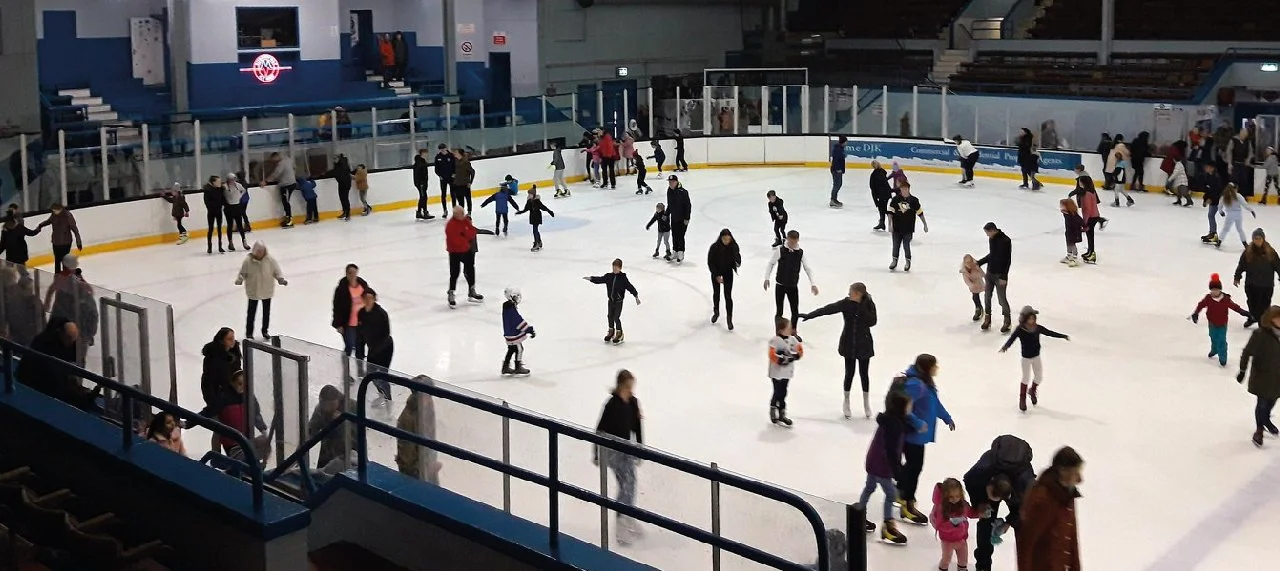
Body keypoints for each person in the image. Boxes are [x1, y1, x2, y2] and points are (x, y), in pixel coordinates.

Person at [798, 283, 877, 419]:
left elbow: (872, 321)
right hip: (849, 343)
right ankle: (846, 401)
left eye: (851, 292)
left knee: (864, 374)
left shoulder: (869, 304)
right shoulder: (846, 303)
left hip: (864, 343)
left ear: (858, 294)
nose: (848, 294)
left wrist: (860, 307)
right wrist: (810, 315)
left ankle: (866, 402)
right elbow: (828, 309)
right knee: (849, 373)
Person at [894, 353, 955, 526]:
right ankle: (907, 502)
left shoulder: (925, 383)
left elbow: (934, 403)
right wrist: (917, 422)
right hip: (912, 435)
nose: (937, 368)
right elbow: (903, 407)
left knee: (913, 466)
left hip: (918, 435)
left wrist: (946, 417)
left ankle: (901, 491)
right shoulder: (916, 385)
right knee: (915, 467)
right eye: (935, 365)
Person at [963, 435, 1036, 571]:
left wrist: (1010, 522)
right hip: (992, 481)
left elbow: (1025, 507)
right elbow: (968, 480)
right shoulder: (983, 469)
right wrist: (979, 504)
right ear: (988, 482)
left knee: (1023, 528)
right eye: (991, 495)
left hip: (1017, 491)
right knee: (985, 523)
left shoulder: (1024, 484)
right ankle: (983, 566)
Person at [859, 389, 922, 545]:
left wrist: (913, 428)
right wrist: (898, 473)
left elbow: (901, 428)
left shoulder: (890, 420)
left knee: (869, 488)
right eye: (908, 406)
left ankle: (857, 516)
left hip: (873, 461)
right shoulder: (894, 426)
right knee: (891, 495)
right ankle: (888, 525)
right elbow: (891, 452)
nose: (910, 408)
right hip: (881, 466)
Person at [594, 369, 644, 545]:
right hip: (613, 450)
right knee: (627, 483)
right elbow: (600, 428)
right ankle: (622, 520)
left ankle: (627, 516)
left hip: (627, 449)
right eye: (629, 386)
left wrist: (640, 448)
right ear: (621, 386)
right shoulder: (612, 404)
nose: (631, 390)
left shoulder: (633, 403)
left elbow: (637, 427)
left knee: (630, 483)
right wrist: (596, 452)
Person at [1016, 447, 1084, 571]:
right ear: (1063, 471)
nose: (1080, 479)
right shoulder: (1043, 499)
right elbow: (1026, 542)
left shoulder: (1068, 495)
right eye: (1076, 472)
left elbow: (1071, 539)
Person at [16, 317, 97, 411]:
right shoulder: (46, 346)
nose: (71, 343)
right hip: (36, 386)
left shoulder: (60, 341)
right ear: (62, 334)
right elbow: (52, 377)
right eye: (70, 339)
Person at [1000, 306, 1070, 412]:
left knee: (1039, 377)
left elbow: (1049, 333)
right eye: (1030, 318)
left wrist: (1062, 336)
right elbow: (1012, 339)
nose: (1032, 321)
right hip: (1026, 358)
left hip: (1036, 356)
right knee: (1026, 378)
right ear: (1024, 319)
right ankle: (1022, 399)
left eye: (1033, 318)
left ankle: (1032, 390)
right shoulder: (1020, 329)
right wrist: (1005, 347)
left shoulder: (1037, 328)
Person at [1238, 305, 1280, 447]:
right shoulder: (1260, 334)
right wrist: (1242, 370)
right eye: (1277, 317)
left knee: (1271, 402)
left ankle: (1266, 420)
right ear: (1270, 319)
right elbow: (1247, 352)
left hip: (1278, 378)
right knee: (1262, 404)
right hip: (1262, 376)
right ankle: (1259, 430)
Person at [43, 254, 96, 365]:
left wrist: (47, 304)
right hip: (68, 312)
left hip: (68, 311)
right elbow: (89, 289)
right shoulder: (65, 277)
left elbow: (51, 291)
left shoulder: (72, 275)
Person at [764, 230, 818, 338]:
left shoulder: (800, 253)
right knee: (779, 310)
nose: (792, 244)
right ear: (787, 238)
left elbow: (807, 268)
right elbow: (771, 263)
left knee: (795, 311)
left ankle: (793, 330)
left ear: (797, 240)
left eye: (794, 242)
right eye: (790, 241)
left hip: (792, 286)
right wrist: (767, 278)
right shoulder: (780, 250)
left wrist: (813, 283)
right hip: (780, 285)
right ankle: (779, 332)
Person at [1191, 273, 1250, 368]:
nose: (1214, 292)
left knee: (1221, 340)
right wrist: (1196, 313)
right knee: (1213, 336)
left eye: (1216, 290)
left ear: (1220, 289)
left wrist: (1243, 312)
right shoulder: (1208, 299)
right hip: (1212, 322)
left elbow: (1235, 307)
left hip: (1222, 323)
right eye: (1212, 290)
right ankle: (1214, 349)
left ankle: (1223, 357)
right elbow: (1201, 305)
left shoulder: (1225, 299)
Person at [234, 242, 287, 339]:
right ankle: (249, 333)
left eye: (262, 251)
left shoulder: (270, 260)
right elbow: (243, 273)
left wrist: (280, 279)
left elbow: (276, 271)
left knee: (266, 313)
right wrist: (240, 279)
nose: (260, 253)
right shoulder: (248, 261)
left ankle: (265, 331)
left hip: (267, 290)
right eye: (258, 251)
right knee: (251, 313)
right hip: (253, 290)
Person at [583, 258, 640, 345]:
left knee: (616, 317)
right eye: (613, 267)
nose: (614, 269)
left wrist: (636, 296)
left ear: (620, 268)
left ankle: (619, 334)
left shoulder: (623, 278)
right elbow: (600, 279)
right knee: (610, 316)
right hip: (611, 301)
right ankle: (611, 331)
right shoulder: (609, 276)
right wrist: (591, 278)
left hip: (619, 302)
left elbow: (630, 287)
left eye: (616, 268)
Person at [1233, 228, 1280, 326]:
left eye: (1259, 238)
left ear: (1263, 239)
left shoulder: (1270, 252)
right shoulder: (1248, 251)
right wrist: (1237, 277)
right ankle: (1253, 317)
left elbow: (1278, 266)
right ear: (1253, 239)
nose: (1257, 240)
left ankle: (1262, 323)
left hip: (1266, 285)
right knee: (1252, 304)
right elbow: (1242, 265)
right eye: (1255, 238)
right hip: (1251, 284)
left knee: (1265, 305)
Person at [931, 478, 980, 571]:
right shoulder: (941, 508)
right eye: (951, 497)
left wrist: (980, 514)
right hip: (947, 541)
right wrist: (953, 524)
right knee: (946, 560)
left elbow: (970, 513)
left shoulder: (963, 505)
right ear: (945, 496)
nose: (954, 499)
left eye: (957, 496)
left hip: (962, 539)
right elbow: (939, 525)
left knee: (963, 560)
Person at [395, 385, 441, 484]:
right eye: (427, 395)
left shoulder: (426, 410)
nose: (430, 399)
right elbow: (407, 460)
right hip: (416, 477)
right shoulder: (407, 419)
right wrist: (426, 470)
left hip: (426, 470)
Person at [307, 385, 354, 473]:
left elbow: (355, 438)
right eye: (324, 405)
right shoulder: (320, 410)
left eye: (331, 405)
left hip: (349, 457)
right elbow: (311, 430)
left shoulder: (351, 408)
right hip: (327, 454)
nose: (327, 408)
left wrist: (341, 424)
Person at [358, 288, 394, 401]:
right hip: (372, 349)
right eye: (366, 298)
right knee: (371, 375)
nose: (368, 300)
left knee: (382, 376)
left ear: (374, 299)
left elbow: (386, 333)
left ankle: (388, 398)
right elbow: (361, 333)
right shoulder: (361, 313)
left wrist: (376, 349)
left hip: (385, 349)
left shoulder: (381, 314)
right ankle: (381, 393)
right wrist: (361, 351)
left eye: (370, 298)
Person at [767, 316, 804, 427]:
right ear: (781, 330)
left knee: (783, 392)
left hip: (787, 373)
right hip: (776, 372)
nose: (791, 329)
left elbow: (799, 350)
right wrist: (782, 359)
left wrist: (796, 356)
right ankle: (773, 408)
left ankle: (782, 413)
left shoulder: (793, 340)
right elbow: (772, 355)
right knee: (777, 391)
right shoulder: (774, 341)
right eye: (789, 327)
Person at [977, 222, 1013, 333]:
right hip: (990, 273)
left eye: (988, 233)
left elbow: (1007, 260)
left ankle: (1007, 320)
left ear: (993, 230)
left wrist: (1004, 276)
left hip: (1000, 275)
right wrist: (980, 262)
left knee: (1001, 299)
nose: (987, 235)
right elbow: (992, 255)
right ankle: (988, 318)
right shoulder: (992, 239)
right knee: (987, 296)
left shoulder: (1006, 241)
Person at [445, 206, 483, 308]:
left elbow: (471, 232)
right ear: (455, 214)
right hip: (455, 252)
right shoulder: (450, 225)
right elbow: (455, 239)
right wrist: (465, 240)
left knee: (470, 270)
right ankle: (451, 293)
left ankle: (472, 290)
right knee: (454, 273)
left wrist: (465, 237)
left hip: (466, 251)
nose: (463, 215)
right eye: (461, 213)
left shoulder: (465, 221)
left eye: (463, 213)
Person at [331, 264, 370, 360]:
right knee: (349, 346)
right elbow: (337, 307)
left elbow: (369, 300)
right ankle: (345, 369)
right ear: (346, 274)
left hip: (362, 322)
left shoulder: (363, 285)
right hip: (348, 324)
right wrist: (338, 324)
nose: (352, 275)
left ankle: (360, 372)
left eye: (354, 272)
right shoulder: (341, 289)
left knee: (360, 349)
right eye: (350, 273)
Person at [888, 181, 927, 272]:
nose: (904, 190)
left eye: (906, 189)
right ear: (900, 189)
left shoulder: (914, 200)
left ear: (909, 189)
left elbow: (920, 213)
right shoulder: (895, 199)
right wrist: (890, 224)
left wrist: (925, 224)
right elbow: (890, 212)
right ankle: (894, 261)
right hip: (896, 228)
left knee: (906, 245)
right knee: (895, 245)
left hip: (908, 228)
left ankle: (908, 262)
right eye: (902, 189)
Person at [707, 228, 741, 330]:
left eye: (728, 239)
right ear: (721, 238)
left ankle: (729, 318)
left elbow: (738, 258)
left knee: (728, 295)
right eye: (725, 239)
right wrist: (716, 275)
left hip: (728, 273)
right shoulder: (714, 247)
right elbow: (710, 262)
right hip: (716, 272)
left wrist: (738, 262)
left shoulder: (734, 247)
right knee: (716, 293)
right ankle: (716, 311)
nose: (726, 241)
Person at [35, 201, 82, 272]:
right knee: (57, 261)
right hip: (56, 242)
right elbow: (49, 221)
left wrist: (79, 242)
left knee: (65, 261)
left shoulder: (68, 216)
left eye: (55, 211)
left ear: (60, 209)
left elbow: (75, 230)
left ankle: (66, 277)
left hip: (65, 242)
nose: (54, 212)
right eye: (53, 211)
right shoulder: (54, 215)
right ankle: (57, 277)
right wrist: (41, 225)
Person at [500, 287, 535, 376]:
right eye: (516, 296)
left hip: (508, 333)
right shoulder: (511, 309)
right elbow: (518, 321)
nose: (518, 298)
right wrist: (529, 329)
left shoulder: (507, 307)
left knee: (511, 349)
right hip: (513, 334)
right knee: (519, 349)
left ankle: (505, 367)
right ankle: (518, 366)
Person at [1214, 183, 1256, 249]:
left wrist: (1221, 211)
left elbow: (1220, 205)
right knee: (1240, 229)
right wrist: (1251, 210)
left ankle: (1219, 242)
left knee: (1225, 229)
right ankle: (1245, 244)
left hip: (1230, 215)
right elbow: (1245, 205)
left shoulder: (1224, 196)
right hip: (1238, 214)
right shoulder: (1238, 196)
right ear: (1234, 189)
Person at [262, 152, 298, 228]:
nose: (274, 162)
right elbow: (294, 167)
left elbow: (276, 173)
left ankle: (289, 221)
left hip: (287, 185)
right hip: (290, 183)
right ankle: (287, 219)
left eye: (273, 160)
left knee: (286, 203)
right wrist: (292, 175)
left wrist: (266, 181)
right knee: (285, 202)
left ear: (276, 157)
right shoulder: (288, 159)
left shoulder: (281, 163)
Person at [516, 186, 555, 252]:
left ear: (533, 195)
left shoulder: (537, 201)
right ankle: (539, 242)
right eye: (528, 194)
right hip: (532, 217)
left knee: (535, 230)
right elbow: (526, 209)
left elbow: (543, 207)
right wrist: (520, 212)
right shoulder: (529, 202)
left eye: (530, 194)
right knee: (535, 230)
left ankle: (536, 243)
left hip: (537, 217)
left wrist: (549, 211)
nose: (529, 195)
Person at [666, 175, 691, 263]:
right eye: (669, 182)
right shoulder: (669, 191)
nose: (671, 184)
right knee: (674, 235)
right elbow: (669, 204)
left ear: (676, 182)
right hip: (674, 218)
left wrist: (687, 218)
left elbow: (688, 206)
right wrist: (666, 214)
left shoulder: (683, 192)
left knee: (680, 235)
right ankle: (675, 252)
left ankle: (681, 252)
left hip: (682, 218)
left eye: (672, 182)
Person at [1198, 162, 1223, 244]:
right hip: (1212, 199)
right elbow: (1207, 190)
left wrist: (1211, 199)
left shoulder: (1216, 177)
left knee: (1211, 215)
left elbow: (1216, 191)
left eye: (1207, 167)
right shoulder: (1209, 176)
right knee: (1210, 215)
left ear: (1212, 168)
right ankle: (1212, 233)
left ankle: (1213, 234)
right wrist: (1205, 200)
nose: (1206, 168)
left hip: (1215, 200)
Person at [200, 175, 226, 253]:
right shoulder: (207, 190)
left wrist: (222, 205)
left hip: (219, 211)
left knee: (219, 229)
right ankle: (209, 246)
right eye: (218, 182)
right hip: (211, 212)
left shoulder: (220, 189)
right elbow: (207, 202)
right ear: (213, 182)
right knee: (211, 229)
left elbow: (223, 199)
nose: (220, 183)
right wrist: (215, 206)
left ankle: (220, 246)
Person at [1105, 134, 1133, 206]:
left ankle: (1117, 202)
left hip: (1119, 177)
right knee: (1121, 189)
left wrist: (1115, 177)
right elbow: (1127, 153)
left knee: (1117, 189)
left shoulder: (1113, 145)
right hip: (1121, 176)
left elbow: (1118, 171)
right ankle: (1130, 200)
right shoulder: (1122, 161)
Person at [223, 174, 249, 249]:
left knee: (240, 225)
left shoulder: (238, 185)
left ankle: (244, 241)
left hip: (237, 206)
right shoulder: (225, 187)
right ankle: (230, 242)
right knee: (230, 225)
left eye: (234, 179)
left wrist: (239, 197)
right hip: (229, 208)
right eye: (231, 179)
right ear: (228, 179)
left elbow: (244, 190)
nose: (232, 181)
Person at [1226, 127, 1254, 195]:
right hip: (1235, 164)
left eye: (1246, 134)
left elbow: (1251, 152)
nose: (1244, 135)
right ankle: (1232, 195)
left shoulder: (1248, 141)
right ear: (1240, 133)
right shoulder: (1233, 140)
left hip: (1243, 164)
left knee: (1244, 181)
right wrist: (1229, 163)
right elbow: (1228, 151)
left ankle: (1242, 196)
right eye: (1243, 133)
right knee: (1234, 181)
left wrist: (1248, 159)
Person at [961, 254, 986, 322]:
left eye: (970, 262)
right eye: (967, 263)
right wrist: (971, 285)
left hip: (979, 282)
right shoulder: (964, 271)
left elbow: (982, 273)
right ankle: (978, 309)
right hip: (973, 286)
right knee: (975, 297)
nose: (969, 264)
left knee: (987, 295)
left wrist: (986, 278)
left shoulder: (976, 266)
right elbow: (966, 280)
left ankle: (988, 311)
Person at [1059, 199, 1084, 267]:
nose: (1061, 207)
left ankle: (1075, 258)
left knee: (1072, 244)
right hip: (1068, 232)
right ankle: (1069, 256)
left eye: (1062, 205)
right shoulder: (1066, 213)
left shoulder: (1073, 214)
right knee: (1068, 243)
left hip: (1075, 232)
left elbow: (1081, 221)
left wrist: (1084, 227)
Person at [432, 144, 456, 216]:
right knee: (443, 195)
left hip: (451, 178)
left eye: (443, 149)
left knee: (453, 194)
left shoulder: (451, 155)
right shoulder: (438, 157)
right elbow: (436, 168)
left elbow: (454, 165)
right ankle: (445, 210)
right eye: (440, 149)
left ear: (446, 148)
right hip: (443, 179)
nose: (442, 150)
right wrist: (439, 175)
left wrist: (454, 173)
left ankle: (454, 210)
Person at [412, 148, 435, 221]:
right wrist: (421, 183)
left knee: (422, 197)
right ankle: (424, 212)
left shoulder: (422, 161)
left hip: (422, 182)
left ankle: (419, 212)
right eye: (425, 153)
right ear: (422, 154)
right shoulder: (419, 162)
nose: (427, 155)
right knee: (424, 197)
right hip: (420, 183)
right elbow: (418, 173)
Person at [869, 160, 892, 231]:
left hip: (882, 195)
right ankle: (882, 223)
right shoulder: (882, 172)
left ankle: (886, 221)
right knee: (882, 209)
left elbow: (873, 187)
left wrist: (875, 199)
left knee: (882, 209)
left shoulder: (875, 174)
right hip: (885, 194)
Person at [330, 154, 354, 220]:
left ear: (338, 158)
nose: (334, 160)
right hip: (340, 183)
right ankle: (344, 212)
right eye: (333, 159)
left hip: (346, 184)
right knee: (342, 198)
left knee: (345, 198)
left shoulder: (344, 165)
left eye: (335, 159)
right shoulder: (336, 165)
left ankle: (348, 214)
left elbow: (342, 173)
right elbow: (334, 172)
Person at [452, 149, 475, 215]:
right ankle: (461, 213)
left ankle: (469, 212)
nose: (455, 153)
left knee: (468, 199)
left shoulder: (466, 162)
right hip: (457, 184)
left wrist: (470, 182)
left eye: (456, 152)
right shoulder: (455, 161)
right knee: (460, 200)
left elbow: (472, 172)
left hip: (465, 184)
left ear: (460, 154)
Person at [830, 135, 847, 208]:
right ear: (843, 142)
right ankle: (833, 200)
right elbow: (836, 160)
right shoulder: (838, 149)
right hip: (836, 170)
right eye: (846, 142)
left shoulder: (840, 148)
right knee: (837, 185)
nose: (847, 143)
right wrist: (838, 169)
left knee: (838, 184)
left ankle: (834, 199)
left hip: (838, 169)